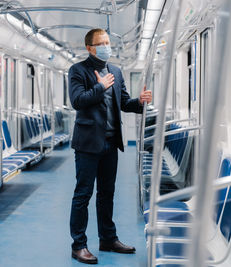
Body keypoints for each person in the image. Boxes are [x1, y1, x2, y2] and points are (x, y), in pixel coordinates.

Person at [68, 28, 152, 264]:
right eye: (101, 42)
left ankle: (107, 238)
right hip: (87, 145)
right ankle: (79, 245)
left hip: (110, 143)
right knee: (83, 194)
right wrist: (100, 86)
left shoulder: (115, 71)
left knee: (107, 194)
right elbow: (77, 101)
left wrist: (140, 102)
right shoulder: (78, 71)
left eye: (107, 41)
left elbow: (123, 102)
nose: (106, 45)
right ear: (89, 48)